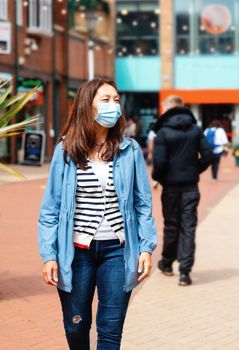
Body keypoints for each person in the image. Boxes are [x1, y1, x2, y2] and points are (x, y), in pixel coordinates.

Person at [38, 78, 157, 350]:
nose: (113, 105)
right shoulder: (65, 150)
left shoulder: (130, 150)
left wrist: (147, 247)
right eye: (105, 100)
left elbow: (143, 203)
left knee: (111, 329)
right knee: (76, 327)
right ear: (87, 107)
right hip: (76, 252)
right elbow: (51, 209)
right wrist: (49, 255)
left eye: (116, 100)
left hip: (118, 250)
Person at [152, 95, 213, 286]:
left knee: (171, 225)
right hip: (190, 187)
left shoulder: (163, 132)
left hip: (170, 188)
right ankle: (185, 272)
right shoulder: (195, 130)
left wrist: (160, 178)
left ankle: (167, 263)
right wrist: (195, 170)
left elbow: (159, 163)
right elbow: (208, 155)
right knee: (188, 227)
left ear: (168, 109)